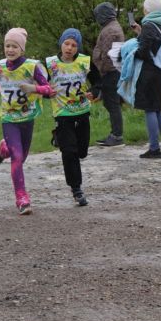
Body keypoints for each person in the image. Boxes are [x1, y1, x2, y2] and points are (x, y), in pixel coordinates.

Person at [0, 27, 52, 215]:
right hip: (8, 117)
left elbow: (49, 89)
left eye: (14, 46)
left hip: (27, 116)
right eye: (7, 46)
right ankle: (22, 198)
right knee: (17, 157)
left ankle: (3, 148)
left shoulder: (32, 66)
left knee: (21, 157)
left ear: (22, 49)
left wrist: (33, 89)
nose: (10, 50)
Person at [45, 28, 101, 206]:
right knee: (69, 152)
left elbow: (98, 81)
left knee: (81, 151)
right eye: (66, 44)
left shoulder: (85, 62)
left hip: (82, 111)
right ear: (61, 44)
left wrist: (94, 91)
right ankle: (76, 189)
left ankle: (60, 140)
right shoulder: (51, 64)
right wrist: (47, 93)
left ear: (78, 47)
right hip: (62, 114)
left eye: (74, 45)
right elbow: (41, 86)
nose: (69, 48)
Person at [130, 0, 161, 159]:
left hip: (150, 73)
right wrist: (140, 32)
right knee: (158, 108)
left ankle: (154, 148)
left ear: (148, 9)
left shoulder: (149, 25)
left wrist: (131, 54)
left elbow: (144, 51)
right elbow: (155, 43)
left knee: (149, 108)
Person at [91, 1, 126, 146]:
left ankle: (117, 135)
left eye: (98, 15)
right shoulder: (110, 27)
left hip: (110, 72)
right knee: (110, 103)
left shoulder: (110, 31)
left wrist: (102, 69)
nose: (97, 18)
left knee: (112, 104)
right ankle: (115, 133)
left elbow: (108, 55)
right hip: (110, 72)